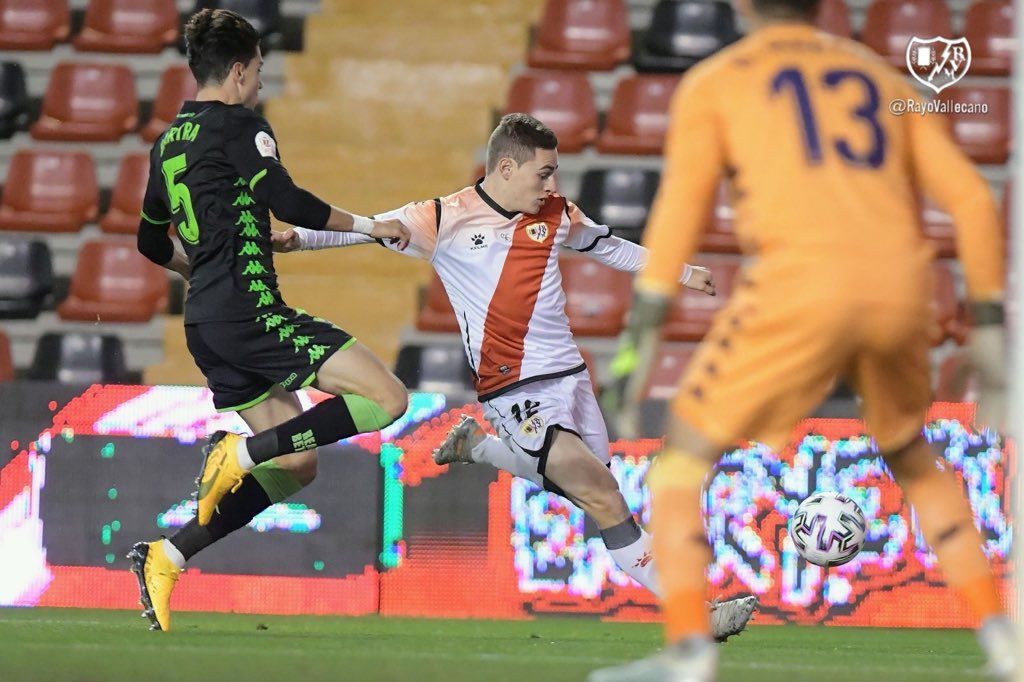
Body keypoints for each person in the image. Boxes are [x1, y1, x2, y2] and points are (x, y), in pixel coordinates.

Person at [586, 0, 1012, 678]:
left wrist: (640, 344)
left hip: (800, 284)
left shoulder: (718, 81)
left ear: (741, 5)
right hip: (901, 288)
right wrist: (989, 325)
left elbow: (677, 217)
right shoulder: (880, 78)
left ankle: (690, 651)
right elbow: (970, 198)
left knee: (679, 465)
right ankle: (1004, 641)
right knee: (913, 459)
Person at [273, 113, 758, 641]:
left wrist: (680, 271)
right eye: (543, 173)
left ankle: (478, 450)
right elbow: (367, 229)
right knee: (602, 496)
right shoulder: (442, 217)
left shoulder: (555, 213)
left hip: (570, 378)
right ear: (506, 165)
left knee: (596, 491)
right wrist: (297, 239)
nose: (552, 185)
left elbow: (606, 244)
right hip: (514, 388)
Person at [128, 8, 412, 632]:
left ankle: (168, 555)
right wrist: (373, 226)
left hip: (204, 322)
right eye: (257, 70)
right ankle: (242, 450)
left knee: (299, 463)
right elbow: (290, 200)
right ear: (236, 71)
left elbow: (151, 243)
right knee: (388, 398)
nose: (259, 82)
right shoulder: (240, 125)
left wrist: (204, 267)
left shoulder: (166, 143)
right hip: (248, 311)